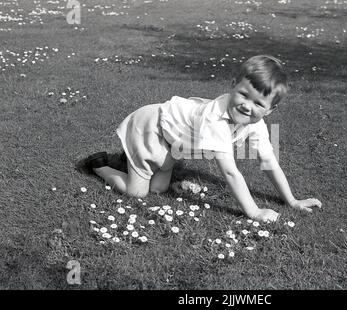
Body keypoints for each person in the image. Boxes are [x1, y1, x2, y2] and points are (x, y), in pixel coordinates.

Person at [84, 55, 322, 223]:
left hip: (172, 143)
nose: (247, 106)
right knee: (137, 193)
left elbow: (269, 162)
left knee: (157, 190)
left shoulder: (256, 124)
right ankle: (100, 165)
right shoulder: (215, 119)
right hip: (150, 128)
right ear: (232, 86)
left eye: (258, 103)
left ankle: (136, 161)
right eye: (243, 94)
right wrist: (254, 212)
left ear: (269, 111)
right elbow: (230, 172)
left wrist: (291, 201)